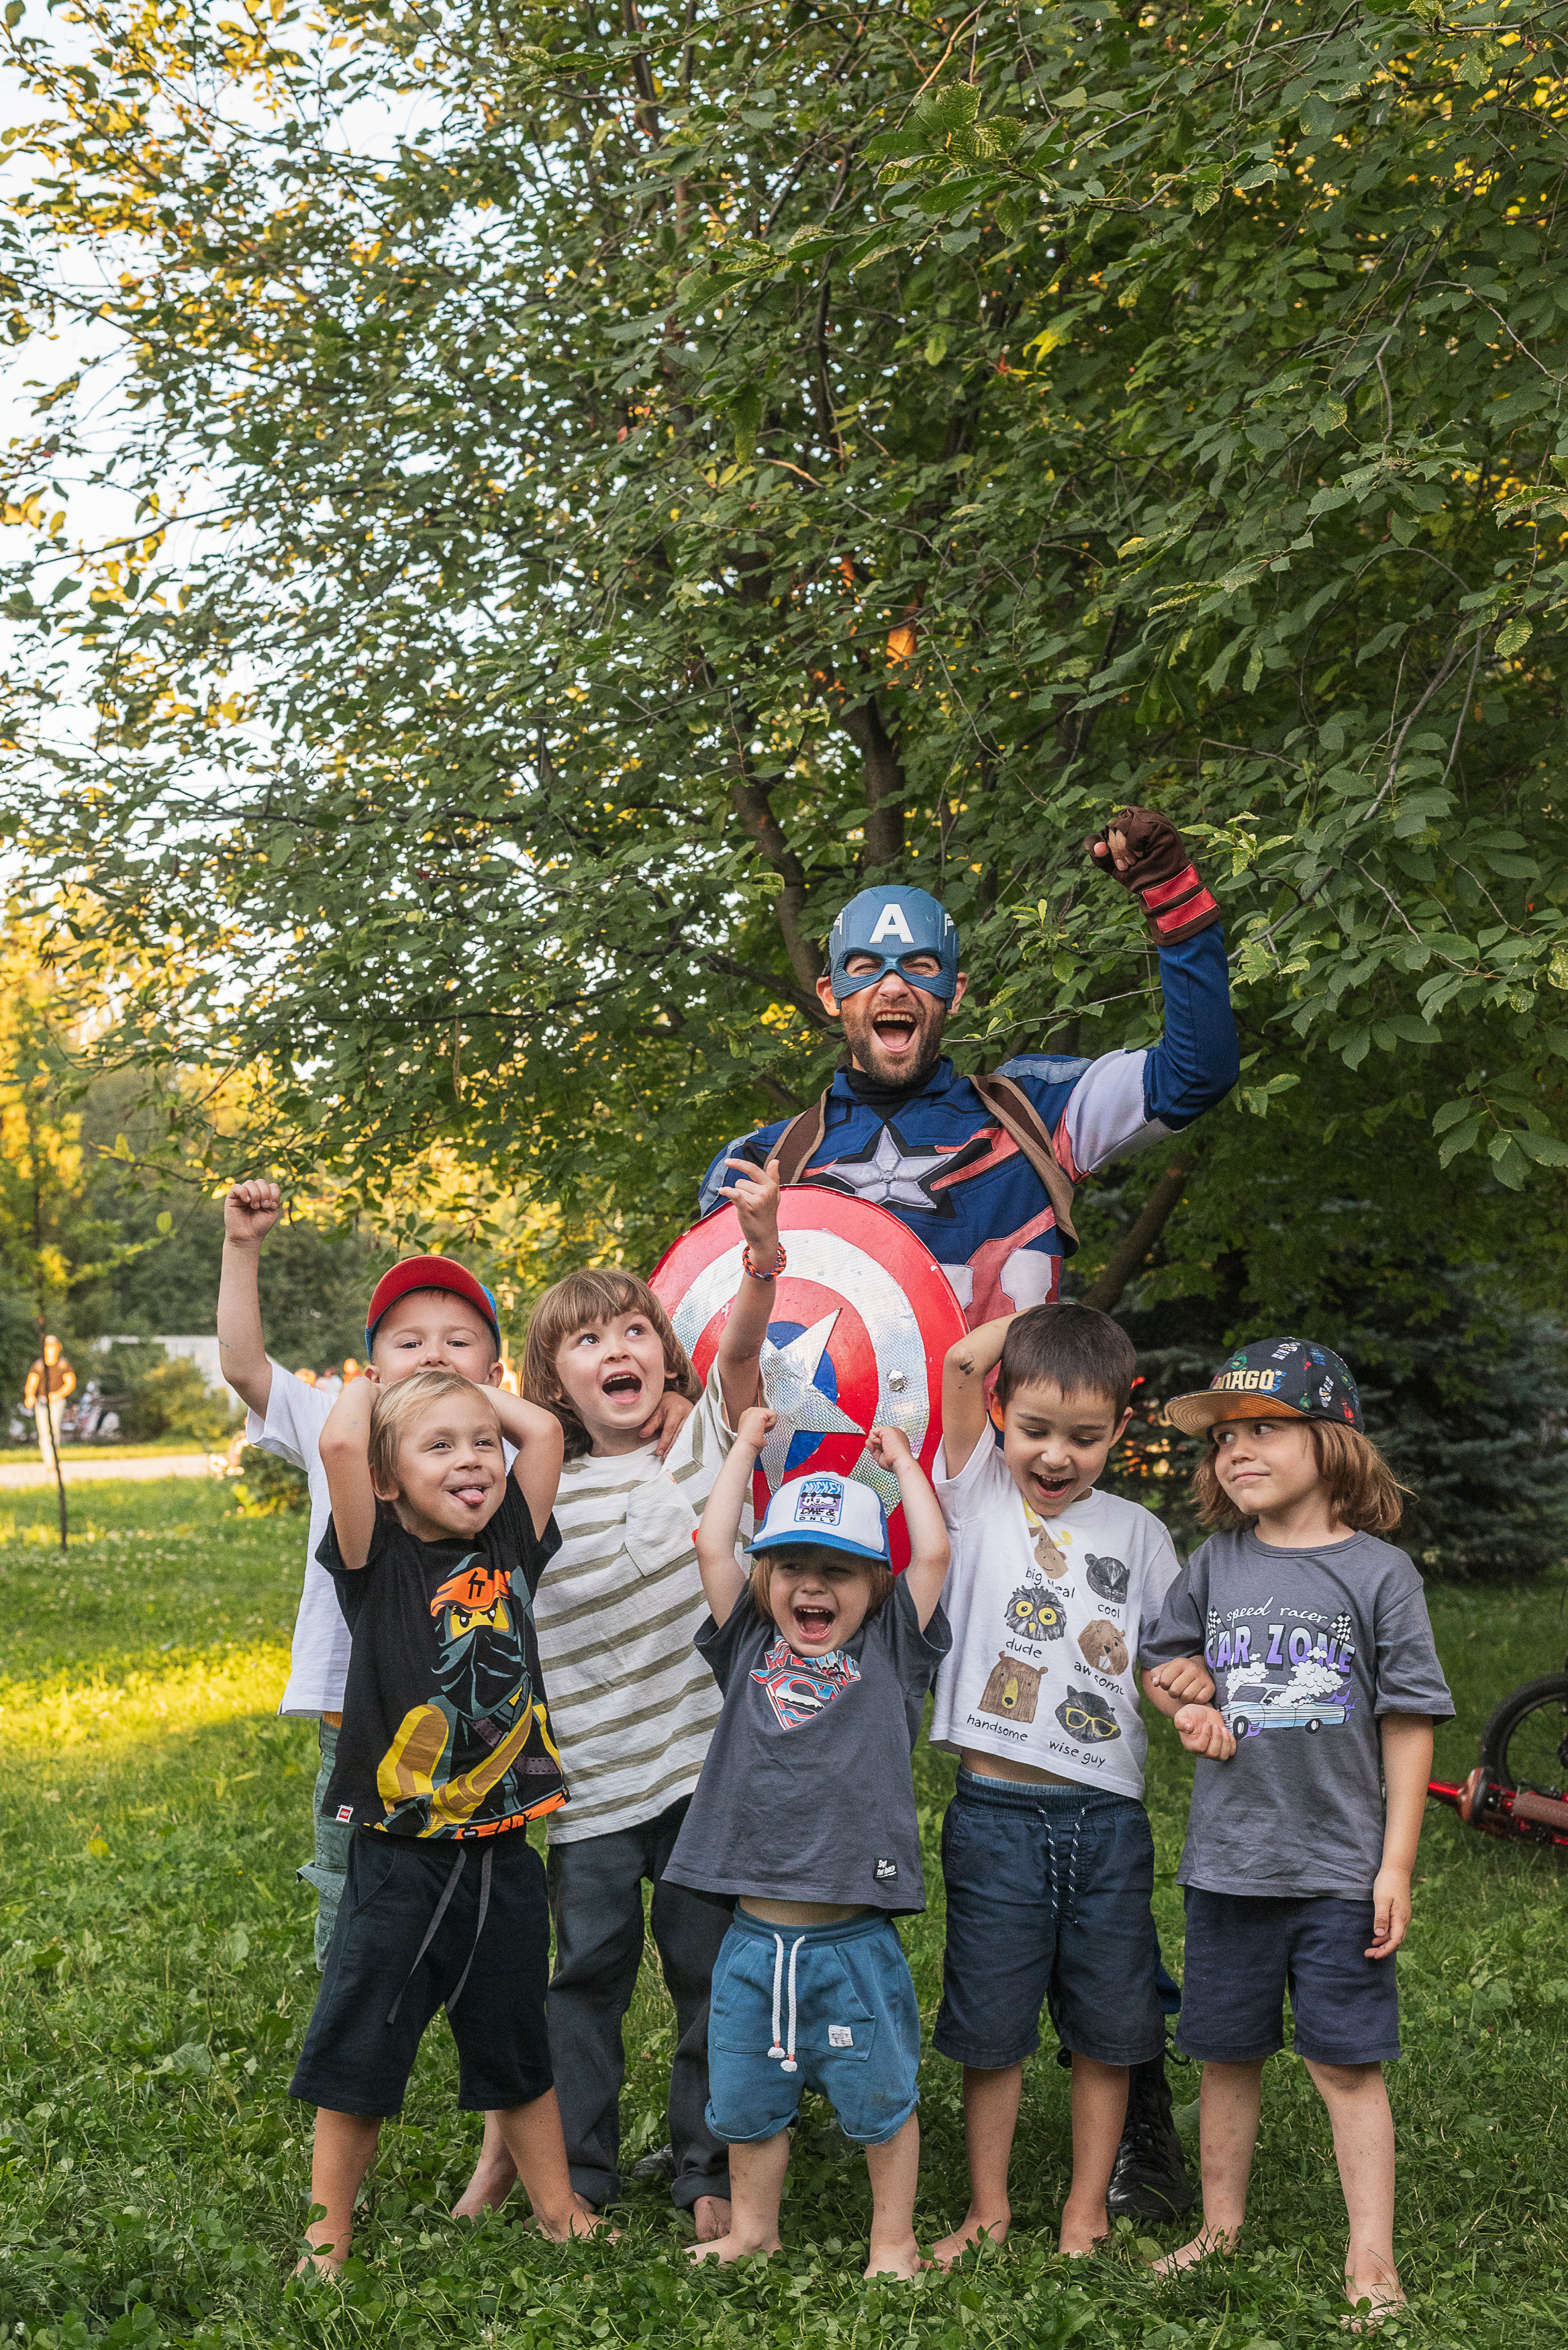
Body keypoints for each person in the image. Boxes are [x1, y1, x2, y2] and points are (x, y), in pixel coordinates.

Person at [700, 810, 1240, 2212]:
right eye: (866, 966)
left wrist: (1174, 902)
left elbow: (1194, 1073)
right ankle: (740, 2107)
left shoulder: (1030, 1110)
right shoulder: (766, 1156)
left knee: (1082, 1801)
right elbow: (720, 1341)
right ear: (831, 992)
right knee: (776, 1781)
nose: (895, 984)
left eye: (922, 965)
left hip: (1019, 1494)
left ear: (949, 989)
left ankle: (1134, 2118)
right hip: (841, 1518)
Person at [215, 1182, 693, 1967]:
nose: (433, 1353)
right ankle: (354, 1998)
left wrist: (673, 1400)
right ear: (372, 1365)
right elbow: (242, 1364)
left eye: (457, 1341)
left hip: (478, 1725)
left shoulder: (487, 1452)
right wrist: (242, 1246)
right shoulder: (341, 1418)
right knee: (354, 1889)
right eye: (408, 1341)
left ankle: (475, 1991)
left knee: (483, 1897)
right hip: (358, 1712)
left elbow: (561, 1433)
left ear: (493, 1371)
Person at [455, 1156, 785, 2243]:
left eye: (635, 1330)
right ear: (552, 1381)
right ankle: (581, 2175)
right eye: (587, 1340)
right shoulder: (537, 1488)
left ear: (665, 1354)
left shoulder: (706, 1438)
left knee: (708, 1974)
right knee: (585, 1978)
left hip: (703, 1774)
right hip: (590, 1787)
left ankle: (707, 2168)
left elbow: (742, 1351)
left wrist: (759, 1251)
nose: (617, 1350)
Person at [1140, 1339, 1454, 2324]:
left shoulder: (1380, 1573)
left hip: (1337, 1869)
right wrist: (1184, 1701)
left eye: (1263, 1430)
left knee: (1344, 2063)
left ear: (1332, 1441)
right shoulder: (1215, 1562)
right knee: (1224, 2052)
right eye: (1224, 1437)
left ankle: (1372, 2258)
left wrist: (1394, 1865)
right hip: (1230, 1864)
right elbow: (1164, 1666)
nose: (1237, 1450)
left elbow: (1408, 1720)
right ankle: (1218, 2226)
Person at [289, 1365, 605, 2271]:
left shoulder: (509, 1542)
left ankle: (558, 2212)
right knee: (360, 2050)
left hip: (504, 1851)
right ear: (387, 1481)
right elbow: (342, 1441)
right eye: (439, 1446)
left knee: (518, 2043)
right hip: (400, 1859)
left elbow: (543, 1433)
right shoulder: (375, 1558)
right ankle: (326, 2238)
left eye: (479, 1443)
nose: (472, 1459)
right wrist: (377, 1383)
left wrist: (459, 1386)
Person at [926, 1303, 1211, 2261]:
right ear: (998, 1413)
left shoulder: (1139, 1532)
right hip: (995, 1815)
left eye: (1084, 1437)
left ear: (1119, 1430)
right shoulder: (975, 1495)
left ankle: (1086, 2212)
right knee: (990, 2022)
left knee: (1112, 2023)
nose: (1055, 1456)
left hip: (1106, 1818)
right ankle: (988, 2208)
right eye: (1034, 1429)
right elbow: (960, 1362)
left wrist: (1186, 1699)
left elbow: (1165, 1659)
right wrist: (1039, 1316)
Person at [663, 1425, 952, 2280]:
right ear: (764, 1579)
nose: (812, 1585)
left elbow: (934, 1553)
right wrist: (742, 1450)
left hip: (850, 1943)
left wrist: (904, 1466)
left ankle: (892, 2241)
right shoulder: (748, 1643)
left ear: (874, 1584)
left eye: (839, 1569)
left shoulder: (889, 1649)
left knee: (879, 2095)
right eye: (790, 1565)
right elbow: (711, 1544)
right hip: (752, 1941)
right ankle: (753, 2229)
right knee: (745, 2099)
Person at [24, 1336, 76, 1468]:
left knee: (53, 1428)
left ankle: (53, 1457)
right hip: (42, 1401)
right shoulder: (39, 1365)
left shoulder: (63, 1364)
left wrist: (57, 1395)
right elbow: (32, 1383)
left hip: (57, 1401)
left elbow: (70, 1383)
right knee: (43, 1430)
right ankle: (48, 1460)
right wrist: (30, 1396)